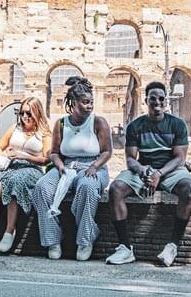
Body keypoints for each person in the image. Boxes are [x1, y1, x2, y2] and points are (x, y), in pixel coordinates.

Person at [105, 81, 191, 267]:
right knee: (115, 189)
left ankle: (172, 246)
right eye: (153, 99)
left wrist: (159, 173)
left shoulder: (177, 125)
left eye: (161, 99)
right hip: (144, 169)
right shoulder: (135, 126)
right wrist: (144, 170)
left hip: (170, 170)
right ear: (146, 100)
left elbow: (180, 158)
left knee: (188, 188)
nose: (157, 102)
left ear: (166, 101)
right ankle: (125, 247)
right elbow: (130, 159)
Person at [31, 76, 112, 261]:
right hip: (66, 166)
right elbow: (54, 153)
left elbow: (107, 151)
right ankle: (52, 239)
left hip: (92, 166)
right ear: (73, 103)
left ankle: (85, 239)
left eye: (91, 102)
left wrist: (94, 166)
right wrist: (59, 166)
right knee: (42, 188)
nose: (90, 106)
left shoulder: (98, 122)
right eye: (85, 102)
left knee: (87, 187)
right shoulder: (61, 123)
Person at [0, 96, 52, 258]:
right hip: (11, 166)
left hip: (31, 169)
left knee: (15, 182)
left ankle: (9, 230)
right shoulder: (14, 128)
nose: (24, 117)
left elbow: (45, 159)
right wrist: (5, 154)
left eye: (29, 113)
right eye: (22, 113)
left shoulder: (44, 134)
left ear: (37, 113)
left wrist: (23, 155)